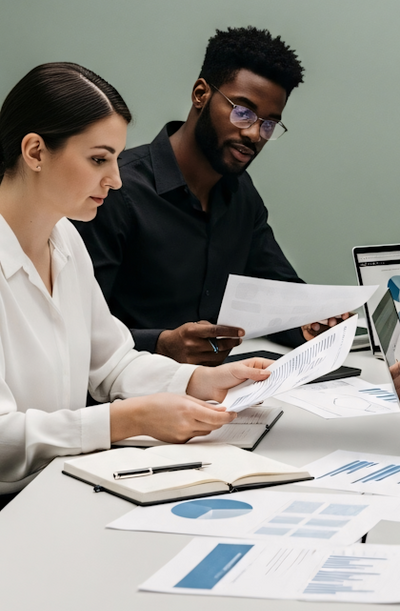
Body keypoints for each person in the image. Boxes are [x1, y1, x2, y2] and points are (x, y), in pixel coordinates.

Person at [0, 62, 274, 499]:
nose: (115, 179)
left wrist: (199, 381)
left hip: (59, 485)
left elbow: (112, 364)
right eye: (98, 159)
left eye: (115, 157)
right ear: (35, 152)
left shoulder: (65, 238)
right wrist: (128, 420)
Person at [75, 26, 347, 367]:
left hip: (217, 387)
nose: (254, 134)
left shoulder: (241, 194)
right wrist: (160, 344)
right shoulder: (115, 191)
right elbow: (75, 327)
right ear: (201, 94)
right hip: (129, 389)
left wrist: (312, 321)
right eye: (243, 112)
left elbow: (278, 293)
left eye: (268, 124)